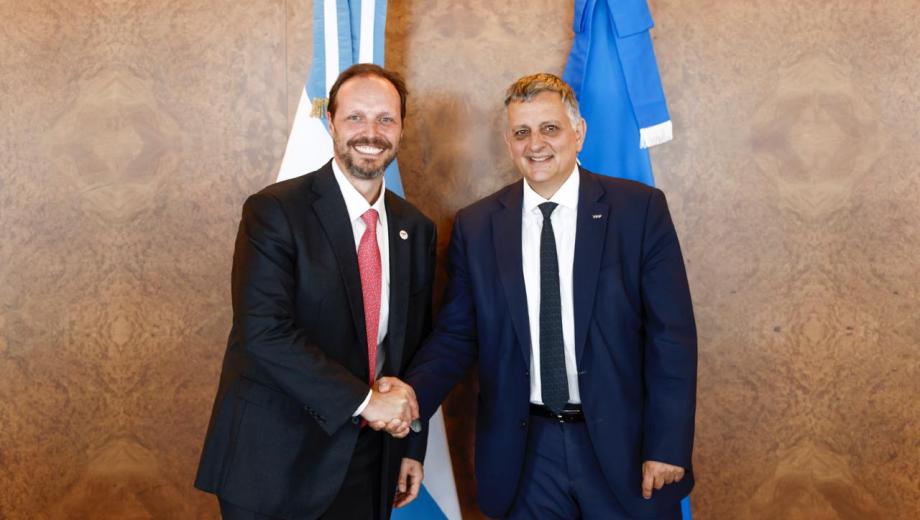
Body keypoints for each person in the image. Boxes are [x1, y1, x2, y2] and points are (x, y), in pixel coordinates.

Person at [401, 73, 697, 519]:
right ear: (508, 142)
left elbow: (671, 337)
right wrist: (409, 398)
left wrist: (667, 444)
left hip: (624, 448)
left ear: (579, 133)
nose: (535, 144)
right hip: (526, 454)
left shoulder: (638, 210)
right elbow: (457, 336)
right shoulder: (477, 226)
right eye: (521, 132)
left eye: (550, 128)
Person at [194, 63, 434, 520]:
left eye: (385, 119)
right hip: (275, 462)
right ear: (331, 122)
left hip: (368, 460)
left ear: (402, 127)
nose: (371, 133)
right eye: (355, 117)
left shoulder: (415, 228)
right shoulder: (275, 211)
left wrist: (411, 445)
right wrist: (367, 402)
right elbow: (264, 333)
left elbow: (412, 349)